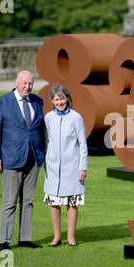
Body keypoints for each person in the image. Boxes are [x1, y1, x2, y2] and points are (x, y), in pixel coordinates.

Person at [0, 70, 45, 251]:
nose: (27, 87)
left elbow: (40, 131)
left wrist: (42, 155)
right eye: (24, 83)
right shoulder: (2, 102)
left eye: (30, 84)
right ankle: (4, 241)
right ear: (16, 82)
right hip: (11, 159)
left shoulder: (38, 101)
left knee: (28, 201)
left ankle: (25, 238)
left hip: (34, 158)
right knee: (9, 201)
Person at [43, 84, 88, 247]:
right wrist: (45, 162)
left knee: (72, 202)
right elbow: (46, 141)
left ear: (68, 99)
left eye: (62, 98)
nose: (60, 102)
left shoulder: (76, 117)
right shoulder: (48, 118)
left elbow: (83, 144)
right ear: (52, 101)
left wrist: (83, 167)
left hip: (73, 168)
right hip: (53, 168)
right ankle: (56, 237)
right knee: (54, 202)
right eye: (56, 99)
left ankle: (71, 237)